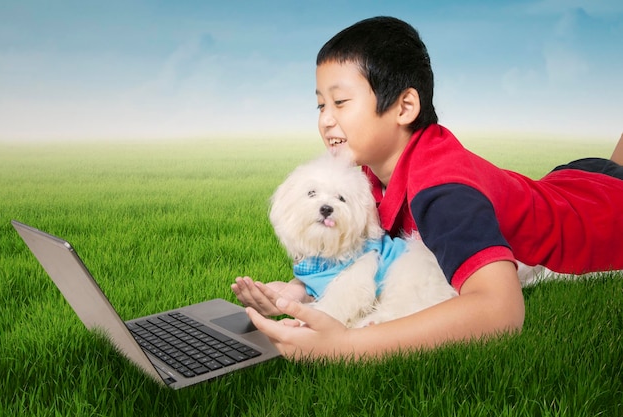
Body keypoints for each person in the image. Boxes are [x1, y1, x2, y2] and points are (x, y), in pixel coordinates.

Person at [232, 16, 623, 360]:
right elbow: (366, 256)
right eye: (320, 106)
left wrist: (347, 345)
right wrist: (299, 292)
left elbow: (501, 310)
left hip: (606, 215)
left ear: (404, 108)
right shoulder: (368, 172)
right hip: (573, 182)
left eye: (340, 102)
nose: (326, 121)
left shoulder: (442, 190)